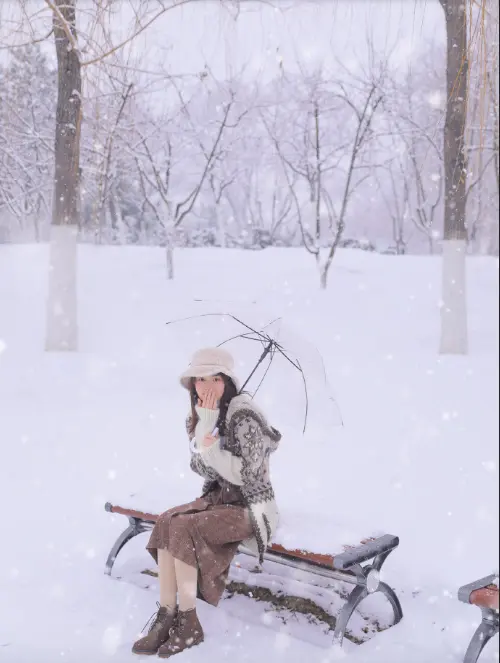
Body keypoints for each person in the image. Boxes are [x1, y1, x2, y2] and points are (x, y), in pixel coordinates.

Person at [132, 347, 281, 658]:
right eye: (200, 380)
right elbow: (199, 467)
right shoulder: (203, 415)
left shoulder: (245, 416)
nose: (206, 387)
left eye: (215, 378)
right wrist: (205, 432)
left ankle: (189, 624)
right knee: (167, 520)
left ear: (227, 381)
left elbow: (247, 475)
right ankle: (167, 614)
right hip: (218, 500)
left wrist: (212, 450)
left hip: (251, 507)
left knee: (185, 526)